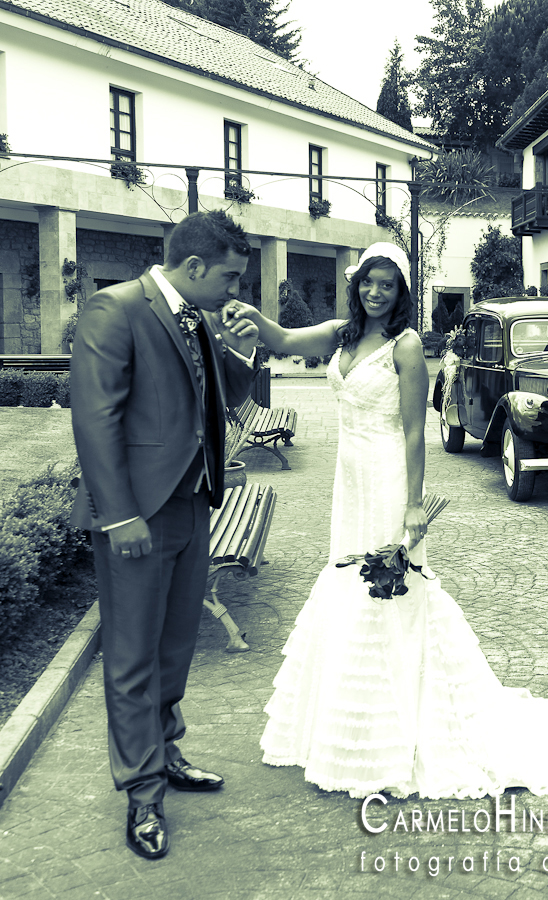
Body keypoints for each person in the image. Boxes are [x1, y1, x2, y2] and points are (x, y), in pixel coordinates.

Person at [229, 242, 548, 799]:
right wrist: (246, 314)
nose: (375, 292)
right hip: (347, 478)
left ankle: (401, 728)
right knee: (346, 577)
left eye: (386, 284)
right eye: (367, 283)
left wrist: (413, 504)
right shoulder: (342, 334)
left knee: (390, 586)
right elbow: (282, 341)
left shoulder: (404, 347)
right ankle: (340, 724)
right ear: (356, 285)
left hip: (384, 476)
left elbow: (413, 432)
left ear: (401, 291)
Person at [69, 210, 260, 859]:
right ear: (197, 267)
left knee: (176, 646)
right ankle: (142, 792)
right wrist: (118, 514)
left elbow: (228, 398)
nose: (237, 289)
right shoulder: (114, 309)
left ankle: (166, 750)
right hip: (138, 514)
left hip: (191, 504)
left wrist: (242, 347)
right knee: (131, 659)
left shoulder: (200, 316)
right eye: (231, 278)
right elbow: (95, 418)